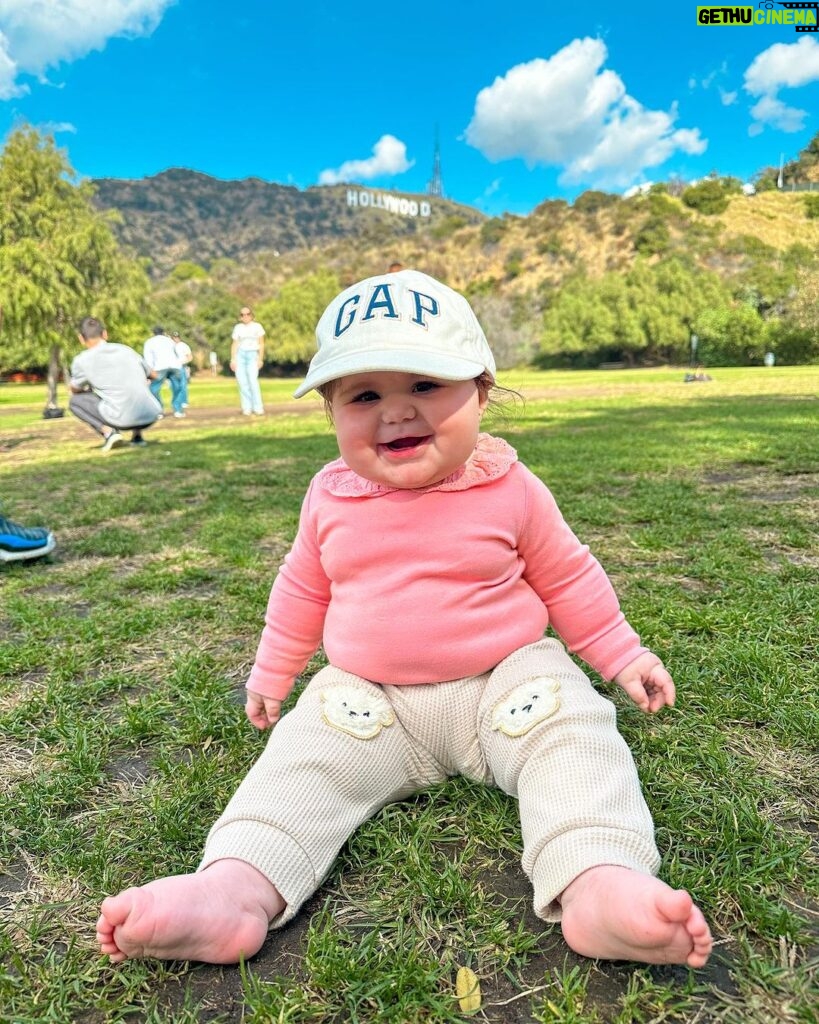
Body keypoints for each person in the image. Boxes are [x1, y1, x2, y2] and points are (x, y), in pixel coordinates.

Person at [97, 270, 713, 970]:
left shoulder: (510, 486)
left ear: (481, 390)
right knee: (301, 759)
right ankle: (235, 888)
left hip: (506, 682)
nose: (395, 412)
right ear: (330, 410)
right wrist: (274, 672)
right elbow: (301, 589)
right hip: (371, 699)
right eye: (364, 395)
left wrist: (621, 655)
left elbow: (567, 575)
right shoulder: (329, 498)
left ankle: (597, 877)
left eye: (423, 386)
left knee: (573, 732)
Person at [69, 317, 162, 453]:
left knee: (75, 401)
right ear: (105, 334)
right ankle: (137, 437)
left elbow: (74, 389)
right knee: (132, 387)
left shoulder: (82, 360)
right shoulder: (126, 350)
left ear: (81, 338)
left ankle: (109, 433)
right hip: (150, 415)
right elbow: (154, 375)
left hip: (120, 419)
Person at [230, 307, 265, 415]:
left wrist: (260, 359)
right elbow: (235, 343)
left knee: (253, 381)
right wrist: (233, 359)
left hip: (252, 355)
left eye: (247, 314)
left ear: (252, 315)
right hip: (240, 355)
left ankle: (258, 407)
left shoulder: (257, 326)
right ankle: (246, 408)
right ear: (240, 317)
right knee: (242, 382)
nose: (245, 316)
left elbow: (261, 344)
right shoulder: (238, 327)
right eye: (242, 314)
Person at [143, 326, 185, 418]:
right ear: (163, 332)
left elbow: (148, 358)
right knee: (177, 388)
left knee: (154, 389)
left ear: (153, 332)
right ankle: (177, 410)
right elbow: (177, 353)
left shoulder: (150, 342)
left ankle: (159, 411)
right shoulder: (169, 340)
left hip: (159, 367)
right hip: (174, 366)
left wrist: (149, 372)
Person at [171, 331, 193, 409]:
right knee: (174, 386)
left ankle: (184, 401)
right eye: (174, 337)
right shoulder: (171, 346)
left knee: (183, 385)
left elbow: (190, 357)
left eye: (177, 337)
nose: (175, 339)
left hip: (181, 367)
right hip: (173, 368)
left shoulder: (183, 345)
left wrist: (183, 362)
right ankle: (177, 402)